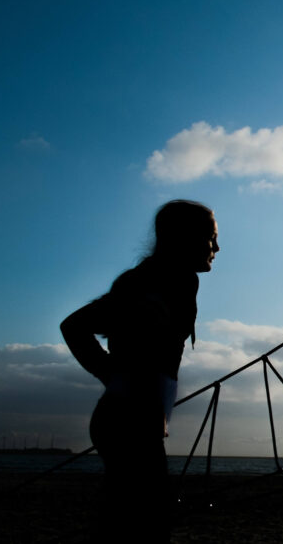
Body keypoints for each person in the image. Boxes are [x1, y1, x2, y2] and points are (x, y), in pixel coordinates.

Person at [60, 200, 219, 542]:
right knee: (143, 525)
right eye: (211, 238)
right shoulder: (157, 281)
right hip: (127, 421)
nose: (217, 248)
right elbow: (74, 326)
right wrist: (119, 382)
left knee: (132, 521)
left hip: (127, 419)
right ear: (185, 238)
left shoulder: (167, 279)